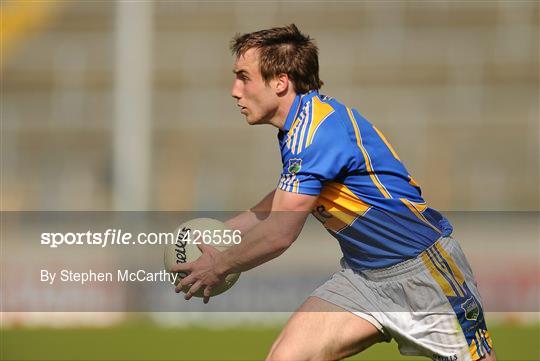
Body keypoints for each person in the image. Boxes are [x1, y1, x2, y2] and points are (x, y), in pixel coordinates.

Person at [171, 24, 496, 361]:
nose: (234, 90)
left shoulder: (318, 132)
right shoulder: (300, 126)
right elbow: (288, 197)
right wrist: (226, 233)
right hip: (364, 280)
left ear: (280, 82)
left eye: (244, 77)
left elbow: (281, 232)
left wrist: (220, 265)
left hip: (423, 274)